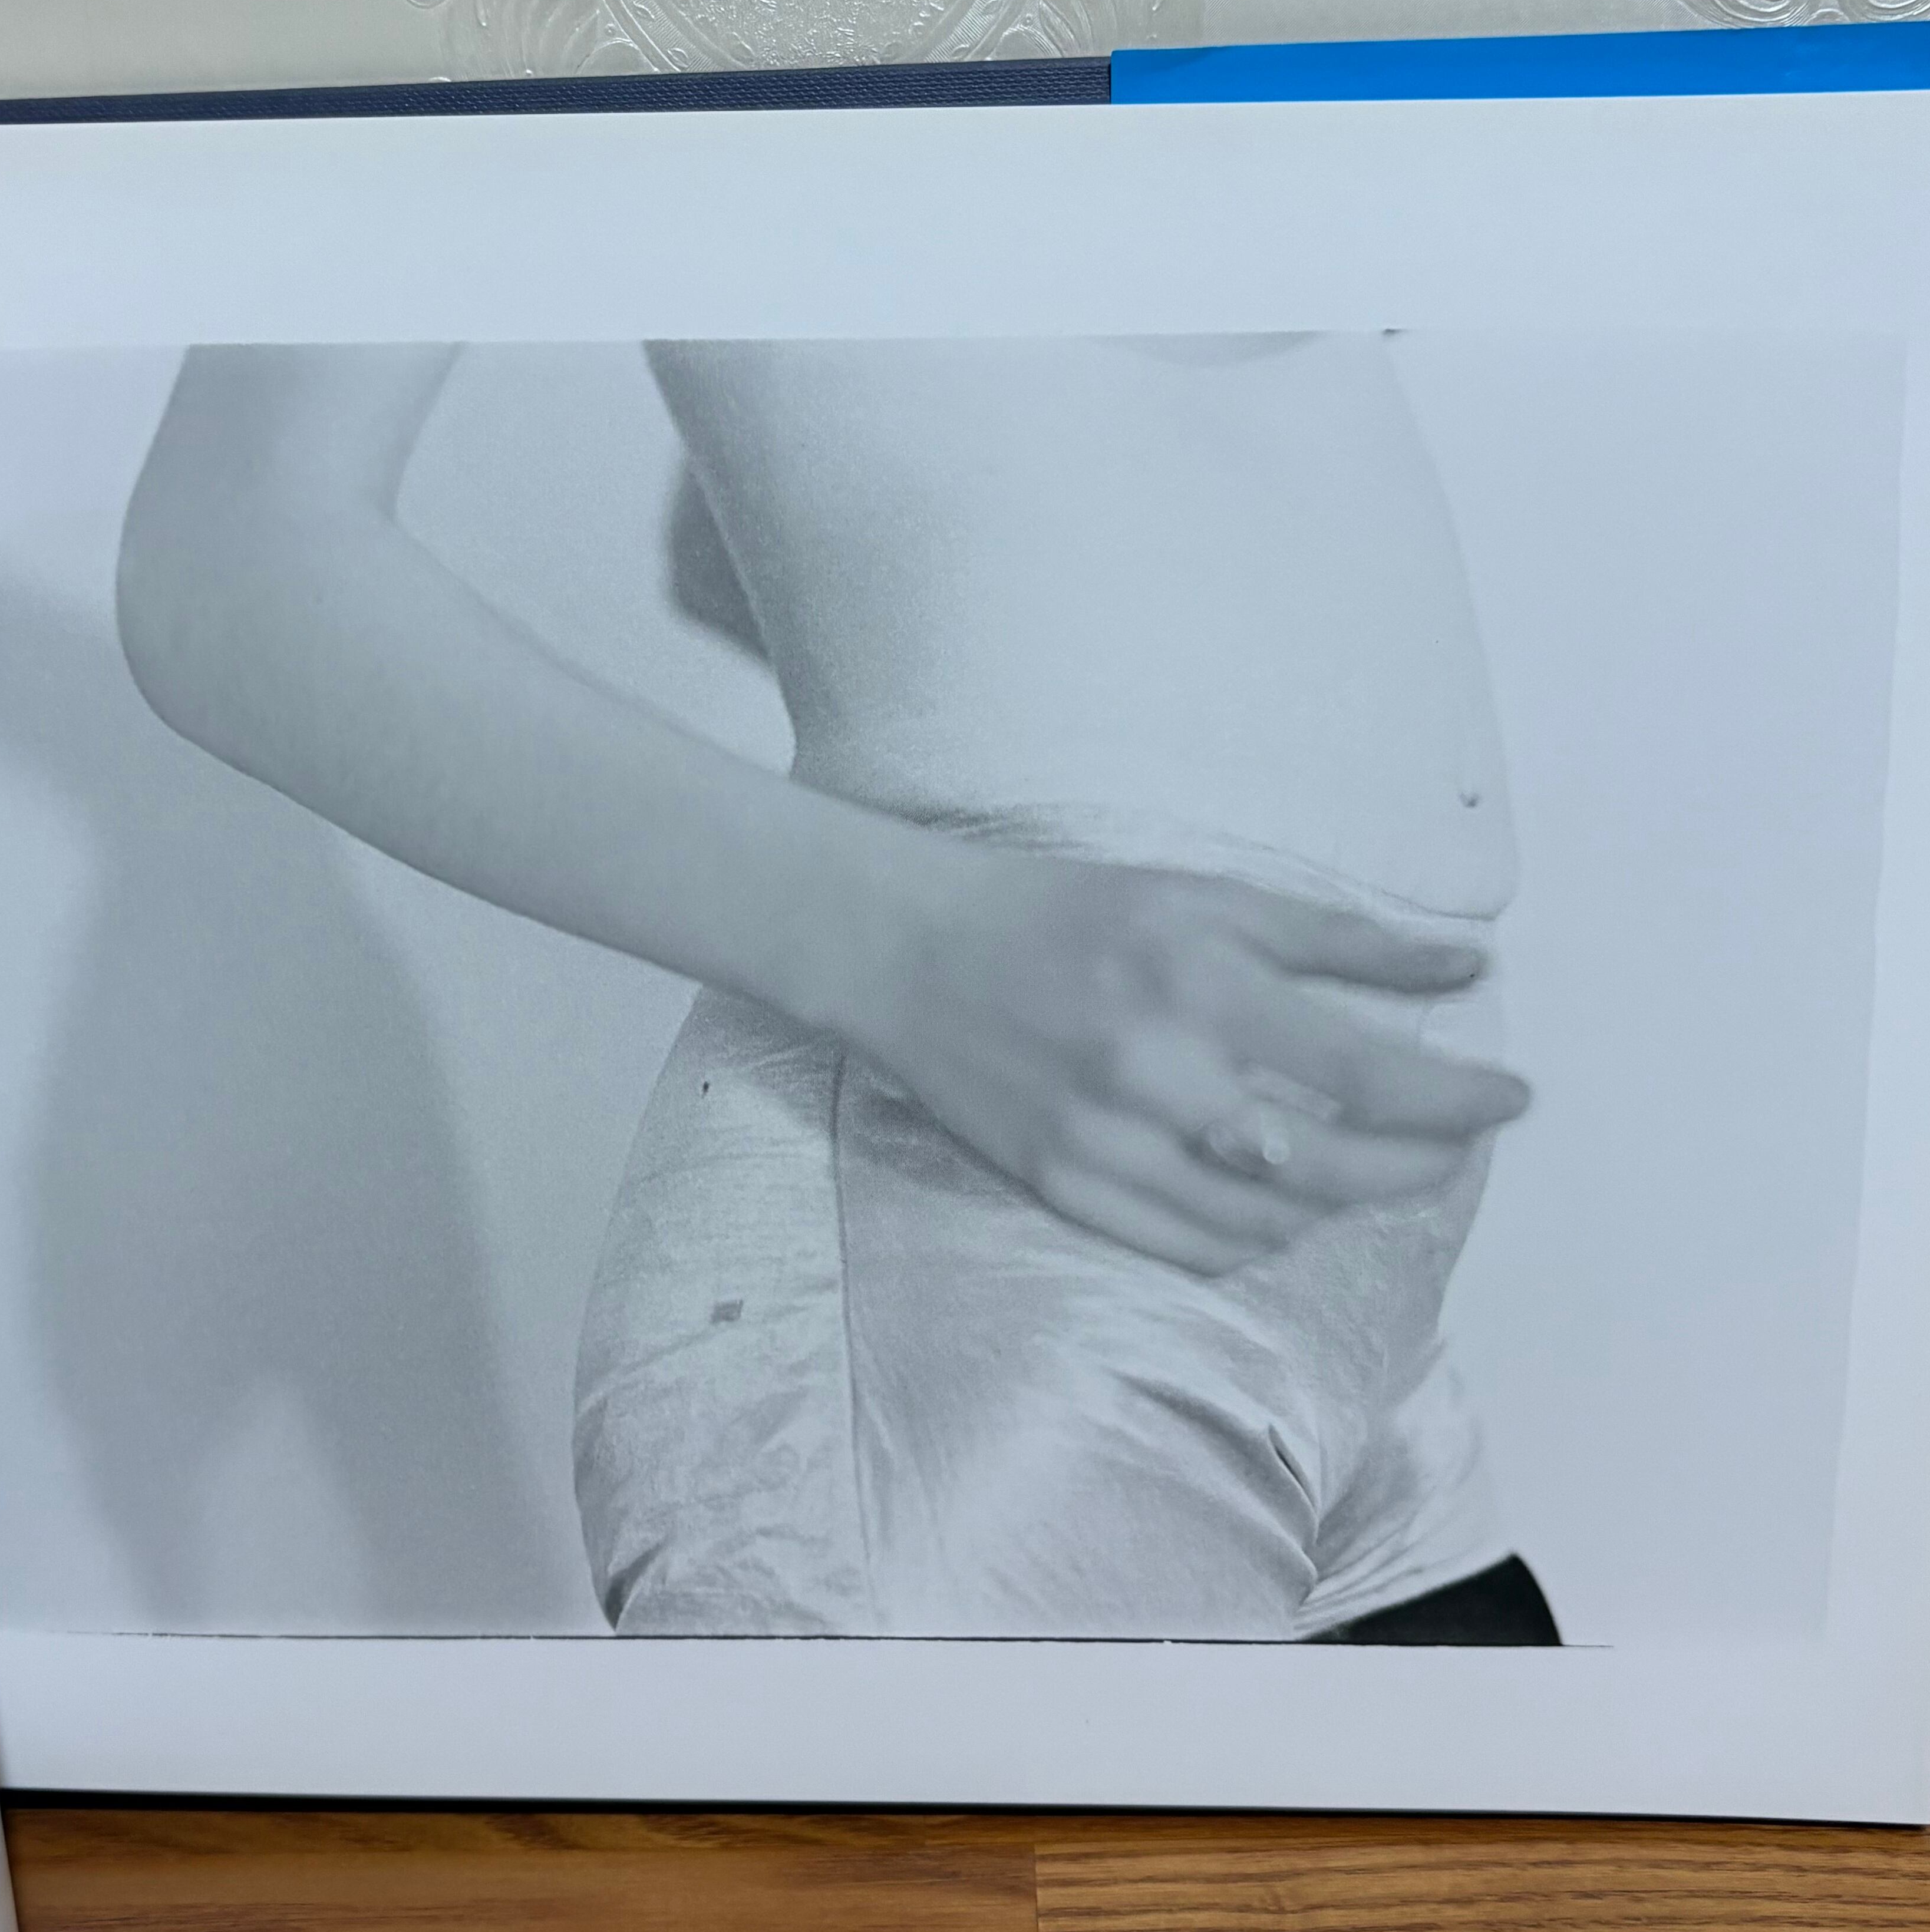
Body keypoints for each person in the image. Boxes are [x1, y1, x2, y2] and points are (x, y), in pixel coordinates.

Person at [116, 332, 1550, 1641]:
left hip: (1334, 1274)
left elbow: (735, 529)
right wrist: (923, 938)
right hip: (973, 1278)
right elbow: (230, 551)